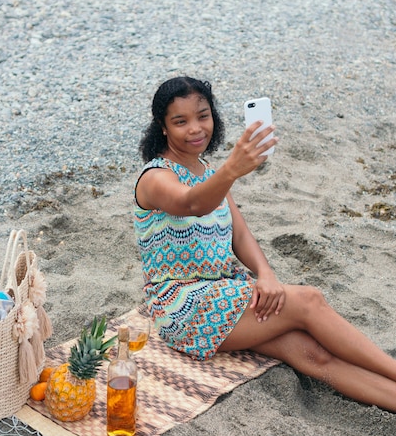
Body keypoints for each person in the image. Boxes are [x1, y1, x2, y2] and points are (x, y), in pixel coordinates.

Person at [134, 76, 396, 411]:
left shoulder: (205, 170)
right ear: (163, 127)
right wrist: (231, 170)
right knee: (310, 301)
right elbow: (192, 204)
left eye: (203, 115)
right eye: (180, 121)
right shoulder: (155, 178)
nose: (196, 128)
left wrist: (266, 274)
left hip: (224, 290)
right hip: (182, 306)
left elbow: (240, 235)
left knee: (309, 353)